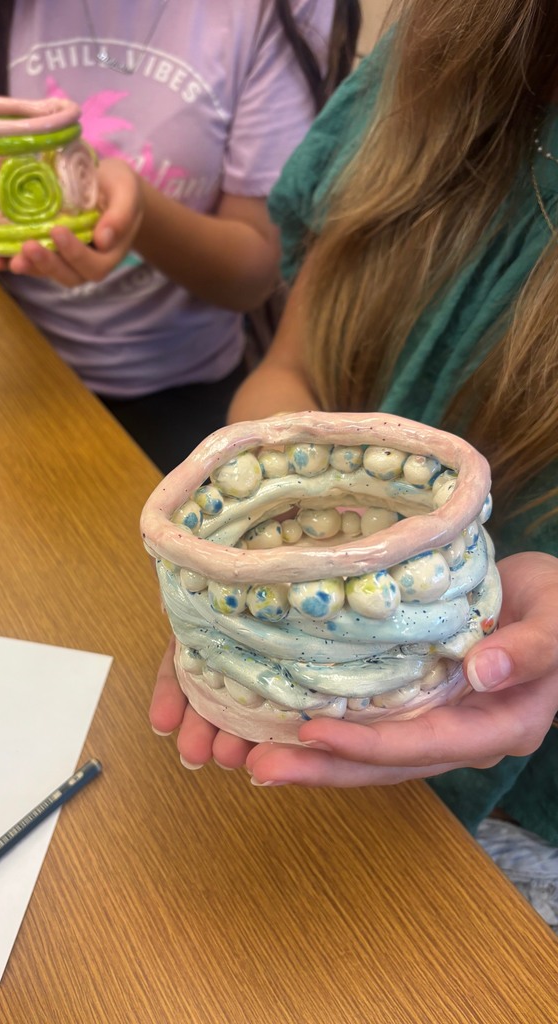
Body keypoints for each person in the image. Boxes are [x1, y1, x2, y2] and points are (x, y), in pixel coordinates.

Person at [150, 0, 558, 850]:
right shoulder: (440, 55)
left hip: (520, 814)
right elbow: (290, 371)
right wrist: (257, 578)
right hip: (304, 765)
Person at [0, 0, 361, 473]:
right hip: (13, 361)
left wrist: (143, 215)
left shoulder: (277, 12)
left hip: (180, 381)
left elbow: (254, 272)